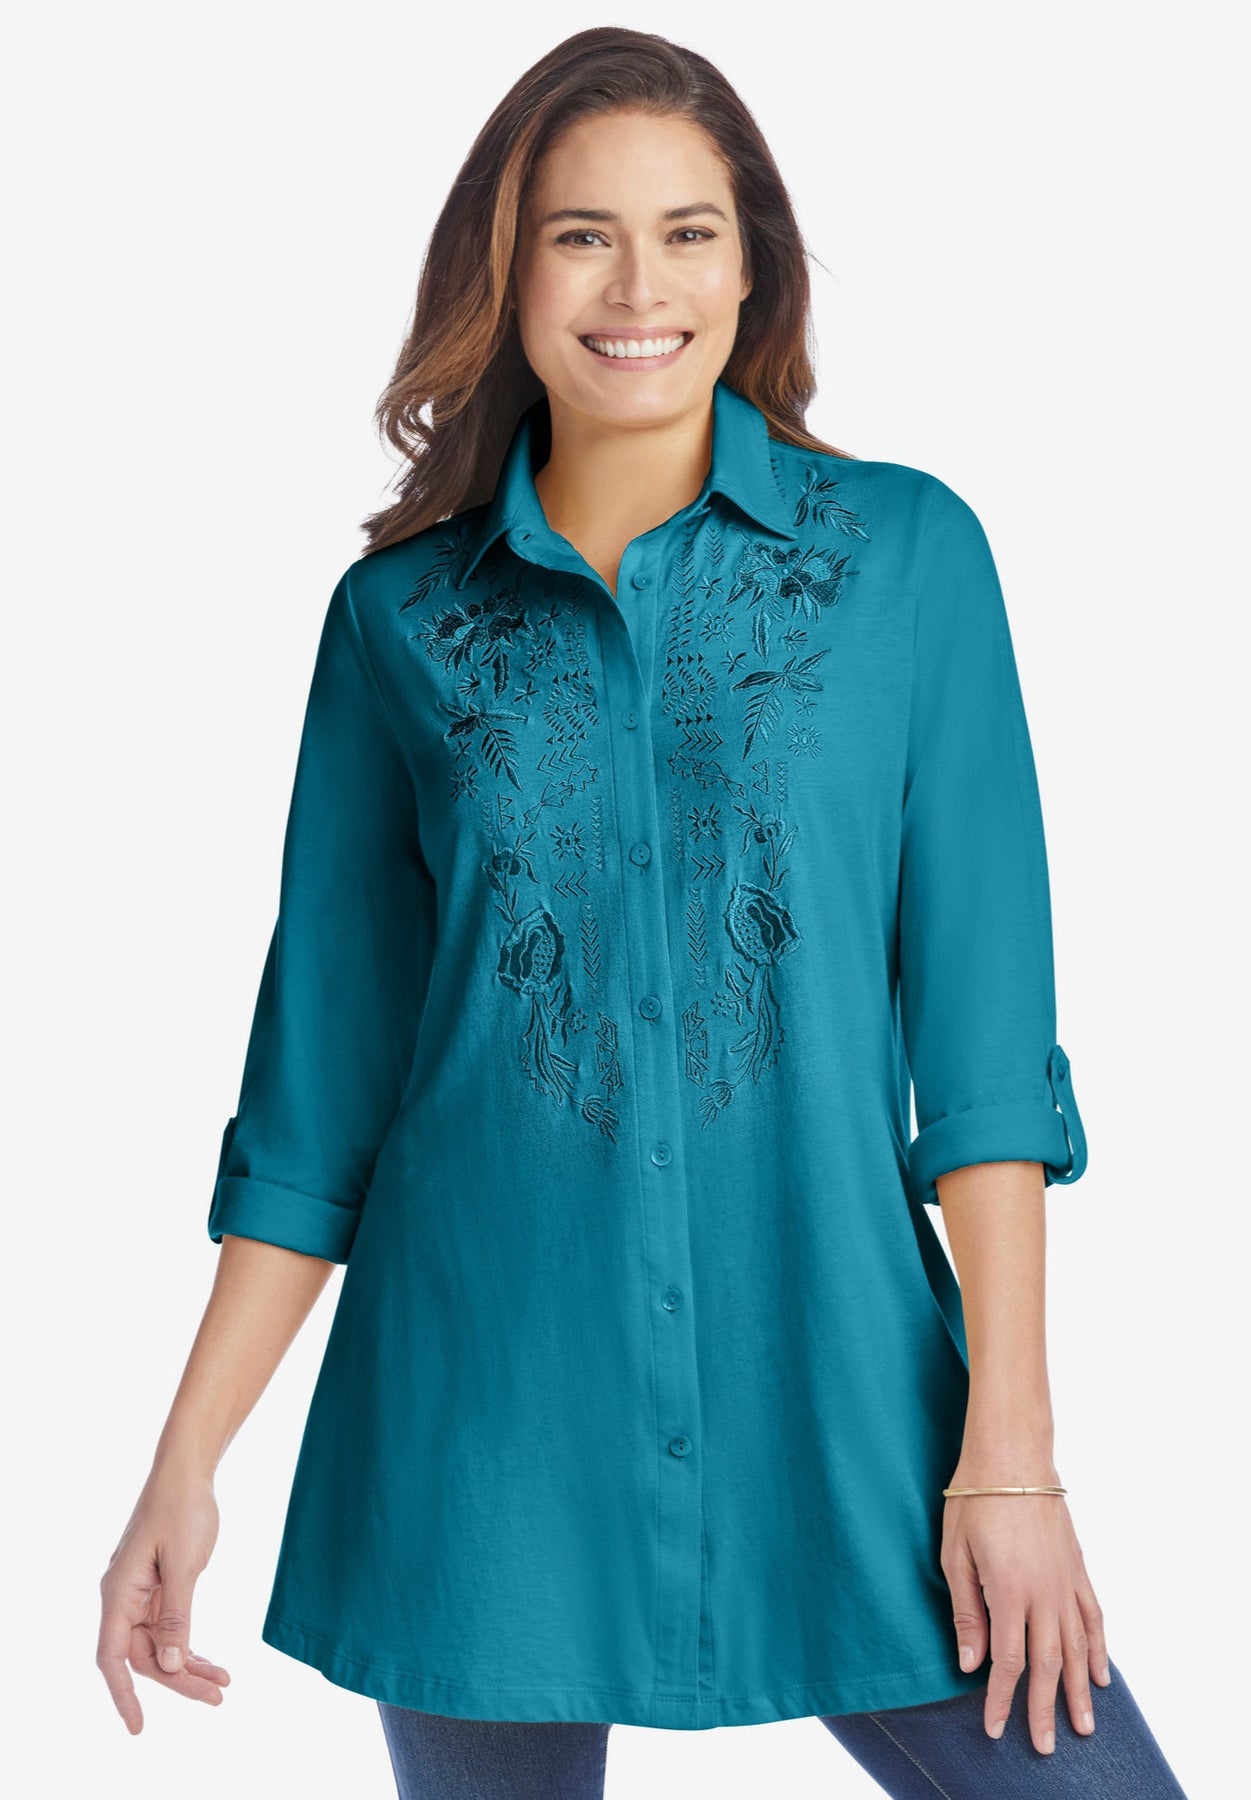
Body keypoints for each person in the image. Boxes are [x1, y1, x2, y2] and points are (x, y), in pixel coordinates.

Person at [97, 25, 1189, 1800]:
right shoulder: (396, 625)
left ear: (752, 268)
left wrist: (1009, 1450)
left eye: (688, 233)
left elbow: (986, 1054)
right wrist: (184, 1463)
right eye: (580, 235)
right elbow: (318, 1099)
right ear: (508, 273)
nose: (637, 287)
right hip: (481, 1435)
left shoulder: (909, 560)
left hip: (844, 1398)